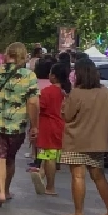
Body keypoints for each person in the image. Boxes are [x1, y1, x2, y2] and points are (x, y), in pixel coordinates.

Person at [58, 56, 108, 215]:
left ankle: (78, 213)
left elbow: (67, 116)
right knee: (99, 177)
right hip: (98, 141)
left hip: (76, 140)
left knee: (78, 176)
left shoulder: (76, 93)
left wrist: (64, 104)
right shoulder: (105, 92)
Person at [0, 42, 39, 208]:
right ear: (23, 56)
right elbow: (33, 102)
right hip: (17, 125)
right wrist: (34, 126)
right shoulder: (29, 76)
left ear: (7, 54)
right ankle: (6, 191)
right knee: (9, 158)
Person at [30, 62, 68, 196]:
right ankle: (41, 175)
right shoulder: (65, 92)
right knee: (50, 156)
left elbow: (39, 107)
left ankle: (50, 186)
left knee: (49, 157)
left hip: (48, 127)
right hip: (60, 126)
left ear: (54, 76)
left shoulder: (47, 91)